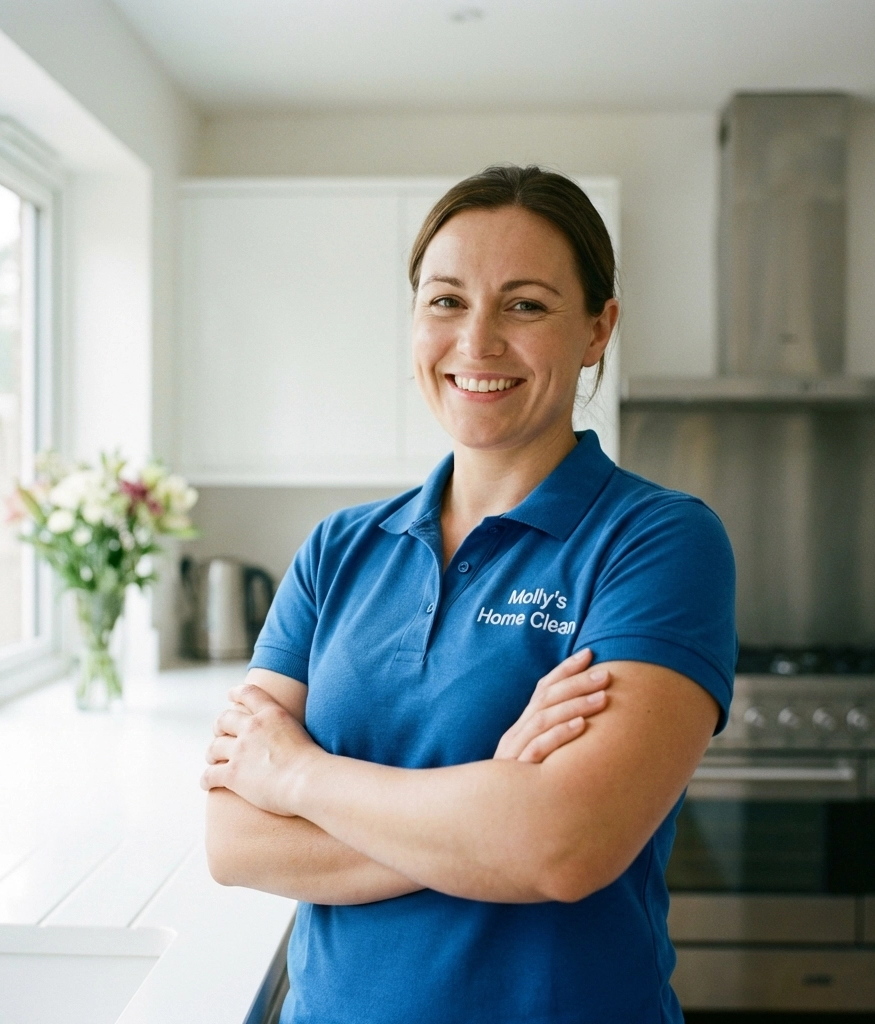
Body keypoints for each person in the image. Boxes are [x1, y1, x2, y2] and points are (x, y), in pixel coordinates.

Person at [201, 164, 737, 1024]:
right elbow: (234, 842)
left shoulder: (657, 541)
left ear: (598, 330)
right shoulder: (338, 550)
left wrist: (298, 775)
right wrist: (493, 801)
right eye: (446, 301)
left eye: (525, 305)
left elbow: (564, 846)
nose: (476, 341)